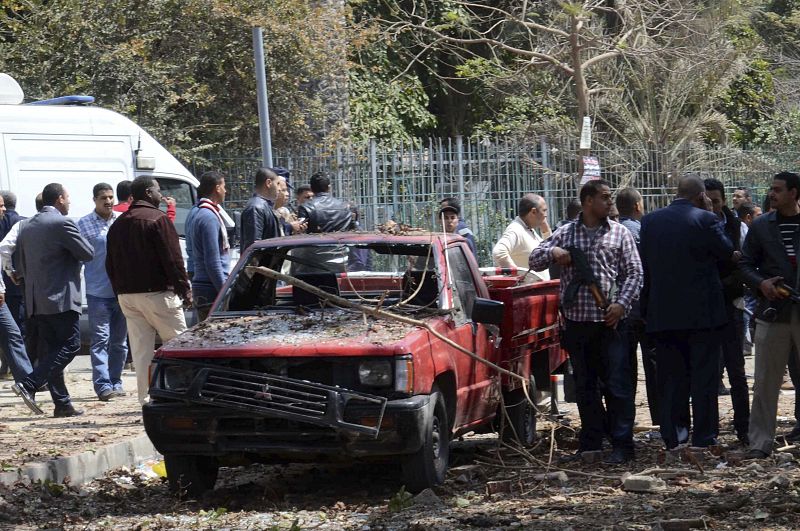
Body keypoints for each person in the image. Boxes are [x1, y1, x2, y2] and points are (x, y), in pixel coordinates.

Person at [530, 179, 643, 464]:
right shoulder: (566, 233)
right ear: (588, 201)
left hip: (611, 322)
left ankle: (622, 445)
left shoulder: (619, 234)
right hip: (578, 324)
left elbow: (634, 274)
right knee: (585, 386)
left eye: (611, 197)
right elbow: (535, 258)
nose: (610, 202)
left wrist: (620, 305)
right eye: (604, 197)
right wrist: (555, 253)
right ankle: (591, 443)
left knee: (618, 386)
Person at [639, 175, 734, 449]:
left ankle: (675, 436)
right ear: (701, 195)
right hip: (703, 314)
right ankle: (703, 438)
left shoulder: (650, 221)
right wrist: (709, 213)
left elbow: (646, 265)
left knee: (671, 380)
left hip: (664, 313)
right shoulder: (706, 219)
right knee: (704, 378)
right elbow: (727, 251)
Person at [106, 176, 192, 405]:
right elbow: (173, 260)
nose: (160, 195)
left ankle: (147, 400)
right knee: (180, 346)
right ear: (147, 192)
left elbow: (110, 264)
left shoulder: (118, 223)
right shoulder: (158, 219)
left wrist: (120, 292)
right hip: (158, 295)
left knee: (141, 351)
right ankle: (184, 396)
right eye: (157, 190)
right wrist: (185, 289)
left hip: (127, 297)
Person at [12, 183, 94, 417]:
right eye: (68, 198)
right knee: (70, 346)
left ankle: (62, 404)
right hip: (61, 297)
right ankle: (29, 383)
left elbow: (21, 265)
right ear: (59, 199)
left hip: (36, 299)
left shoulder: (26, 225)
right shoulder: (62, 223)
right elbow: (87, 253)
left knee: (52, 351)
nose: (69, 202)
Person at [739, 171, 800, 459]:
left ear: (794, 192)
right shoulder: (761, 226)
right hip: (773, 313)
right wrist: (761, 284)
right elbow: (745, 265)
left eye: (778, 189)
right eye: (772, 189)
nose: (772, 194)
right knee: (765, 380)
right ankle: (760, 442)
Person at [704, 178, 749, 444]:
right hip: (704, 309)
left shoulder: (737, 227)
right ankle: (709, 432)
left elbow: (744, 263)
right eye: (707, 202)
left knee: (737, 371)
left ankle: (744, 428)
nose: (712, 207)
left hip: (731, 305)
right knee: (707, 372)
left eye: (716, 202)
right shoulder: (696, 227)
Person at [78, 183, 128, 401]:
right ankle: (103, 385)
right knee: (100, 340)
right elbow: (78, 257)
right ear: (94, 200)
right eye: (103, 198)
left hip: (122, 292)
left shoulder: (122, 222)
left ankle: (116, 381)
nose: (108, 201)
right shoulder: (84, 224)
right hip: (98, 293)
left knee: (119, 342)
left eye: (110, 197)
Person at [615, 187, 658, 424]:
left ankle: (626, 417)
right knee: (653, 365)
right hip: (644, 307)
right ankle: (659, 416)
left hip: (622, 309)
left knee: (624, 366)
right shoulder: (640, 232)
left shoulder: (612, 231)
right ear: (638, 206)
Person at [188, 172, 230, 321]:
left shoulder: (200, 212)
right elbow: (212, 261)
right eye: (224, 186)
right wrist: (224, 290)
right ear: (217, 188)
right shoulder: (208, 216)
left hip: (206, 287)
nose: (226, 191)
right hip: (210, 289)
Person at [240, 168, 304, 253]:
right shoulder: (256, 208)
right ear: (268, 183)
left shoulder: (265, 206)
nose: (279, 189)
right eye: (277, 184)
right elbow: (254, 246)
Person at [491, 194, 551, 280]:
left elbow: (547, 249)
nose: (546, 215)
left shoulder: (528, 229)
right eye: (544, 210)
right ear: (533, 212)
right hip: (528, 292)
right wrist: (518, 277)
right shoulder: (516, 230)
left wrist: (545, 230)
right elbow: (499, 252)